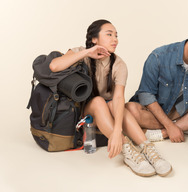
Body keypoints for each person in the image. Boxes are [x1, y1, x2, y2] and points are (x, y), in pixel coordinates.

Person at [49, 19, 172, 177]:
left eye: (116, 35)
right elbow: (54, 66)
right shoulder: (80, 52)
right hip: (83, 115)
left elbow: (119, 98)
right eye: (109, 34)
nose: (115, 39)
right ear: (94, 39)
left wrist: (116, 131)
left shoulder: (119, 64)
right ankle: (127, 149)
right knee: (99, 102)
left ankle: (148, 149)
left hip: (107, 113)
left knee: (115, 104)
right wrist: (88, 52)